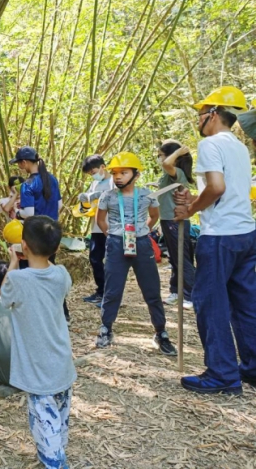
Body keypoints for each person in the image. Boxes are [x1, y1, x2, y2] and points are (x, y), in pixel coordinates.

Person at [174, 87, 256, 395]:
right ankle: (251, 367)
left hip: (220, 236)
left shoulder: (209, 144)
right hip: (245, 234)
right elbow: (227, 191)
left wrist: (192, 208)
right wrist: (194, 198)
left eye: (200, 113)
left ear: (213, 115)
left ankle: (222, 374)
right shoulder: (239, 147)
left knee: (211, 303)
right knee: (246, 303)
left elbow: (217, 188)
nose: (198, 119)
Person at [1, 216, 76, 469]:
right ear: (56, 248)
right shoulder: (62, 274)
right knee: (59, 419)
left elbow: (4, 297)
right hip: (62, 362)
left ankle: (56, 463)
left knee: (45, 421)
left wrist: (13, 262)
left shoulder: (18, 280)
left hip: (38, 367)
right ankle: (55, 455)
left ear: (23, 245)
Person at [95, 152, 177, 356]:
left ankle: (161, 332)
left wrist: (142, 231)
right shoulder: (108, 196)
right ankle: (105, 328)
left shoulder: (147, 195)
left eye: (123, 172)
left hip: (141, 243)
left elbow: (154, 215)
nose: (118, 177)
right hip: (116, 243)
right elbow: (100, 220)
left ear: (136, 175)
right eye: (115, 173)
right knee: (112, 289)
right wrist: (113, 235)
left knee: (151, 290)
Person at [10, 147, 68, 320]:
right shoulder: (51, 179)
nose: (20, 167)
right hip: (51, 232)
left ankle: (34, 313)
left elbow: (28, 212)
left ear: (25, 162)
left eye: (20, 163)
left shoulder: (28, 185)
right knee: (50, 270)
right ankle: (63, 314)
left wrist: (17, 212)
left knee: (30, 273)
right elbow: (58, 205)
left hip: (34, 235)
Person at [156, 140, 196, 309]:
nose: (159, 159)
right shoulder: (170, 175)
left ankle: (192, 294)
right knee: (174, 257)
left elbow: (166, 163)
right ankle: (176, 291)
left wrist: (178, 152)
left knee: (181, 258)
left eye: (161, 155)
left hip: (176, 221)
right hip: (167, 219)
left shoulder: (176, 171)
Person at [78, 154, 113, 307]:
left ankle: (109, 294)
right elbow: (89, 204)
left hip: (109, 226)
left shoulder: (113, 181)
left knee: (110, 261)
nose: (93, 176)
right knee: (95, 259)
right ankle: (100, 291)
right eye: (90, 174)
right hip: (96, 227)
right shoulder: (94, 184)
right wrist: (84, 200)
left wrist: (101, 196)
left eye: (93, 172)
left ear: (102, 167)